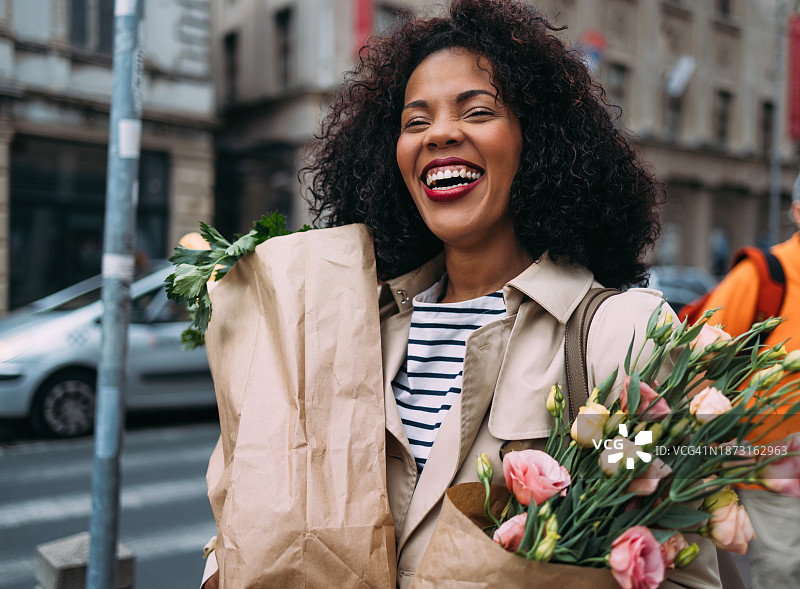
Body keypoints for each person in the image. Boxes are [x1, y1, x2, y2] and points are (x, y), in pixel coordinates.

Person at [201, 0, 723, 586]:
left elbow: (680, 572)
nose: (441, 133)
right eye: (415, 122)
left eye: (476, 112)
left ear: (539, 141)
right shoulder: (350, 325)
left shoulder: (620, 338)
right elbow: (249, 515)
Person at [699, 199, 800, 589]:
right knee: (784, 575)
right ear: (796, 211)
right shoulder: (764, 276)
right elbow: (698, 362)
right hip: (772, 473)